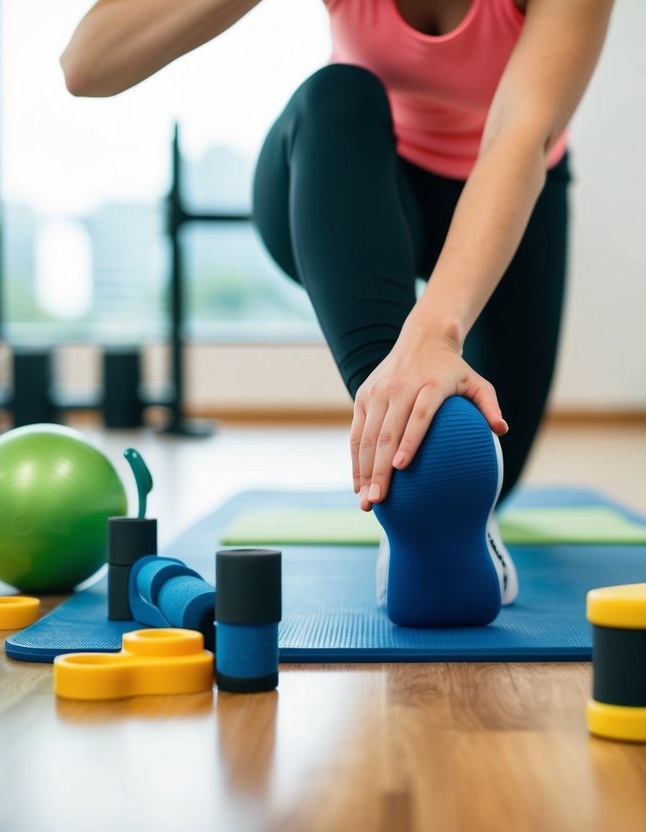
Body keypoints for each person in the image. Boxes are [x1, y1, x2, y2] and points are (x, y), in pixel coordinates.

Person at [62, 0, 613, 622]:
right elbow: (87, 65)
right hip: (349, 184)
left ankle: (430, 475)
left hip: (508, 199)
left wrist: (435, 333)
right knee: (339, 91)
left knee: (486, 466)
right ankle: (411, 479)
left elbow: (521, 132)